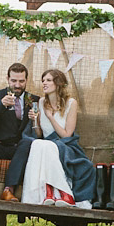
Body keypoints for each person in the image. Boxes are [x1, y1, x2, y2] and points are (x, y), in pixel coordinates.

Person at [22, 69, 96, 208]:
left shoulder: (71, 103)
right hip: (47, 145)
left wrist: (50, 117)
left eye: (48, 80)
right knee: (38, 143)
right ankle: (48, 193)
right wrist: (35, 121)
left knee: (44, 146)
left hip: (65, 145)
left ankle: (63, 192)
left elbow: (67, 134)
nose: (44, 83)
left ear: (58, 83)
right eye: (43, 80)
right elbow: (39, 134)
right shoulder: (41, 101)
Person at [0, 62, 38, 201]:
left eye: (21, 81)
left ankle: (9, 190)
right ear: (7, 79)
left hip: (20, 148)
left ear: (27, 80)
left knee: (27, 142)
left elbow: (39, 129)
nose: (17, 85)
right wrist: (0, 106)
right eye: (14, 80)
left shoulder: (34, 100)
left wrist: (36, 120)